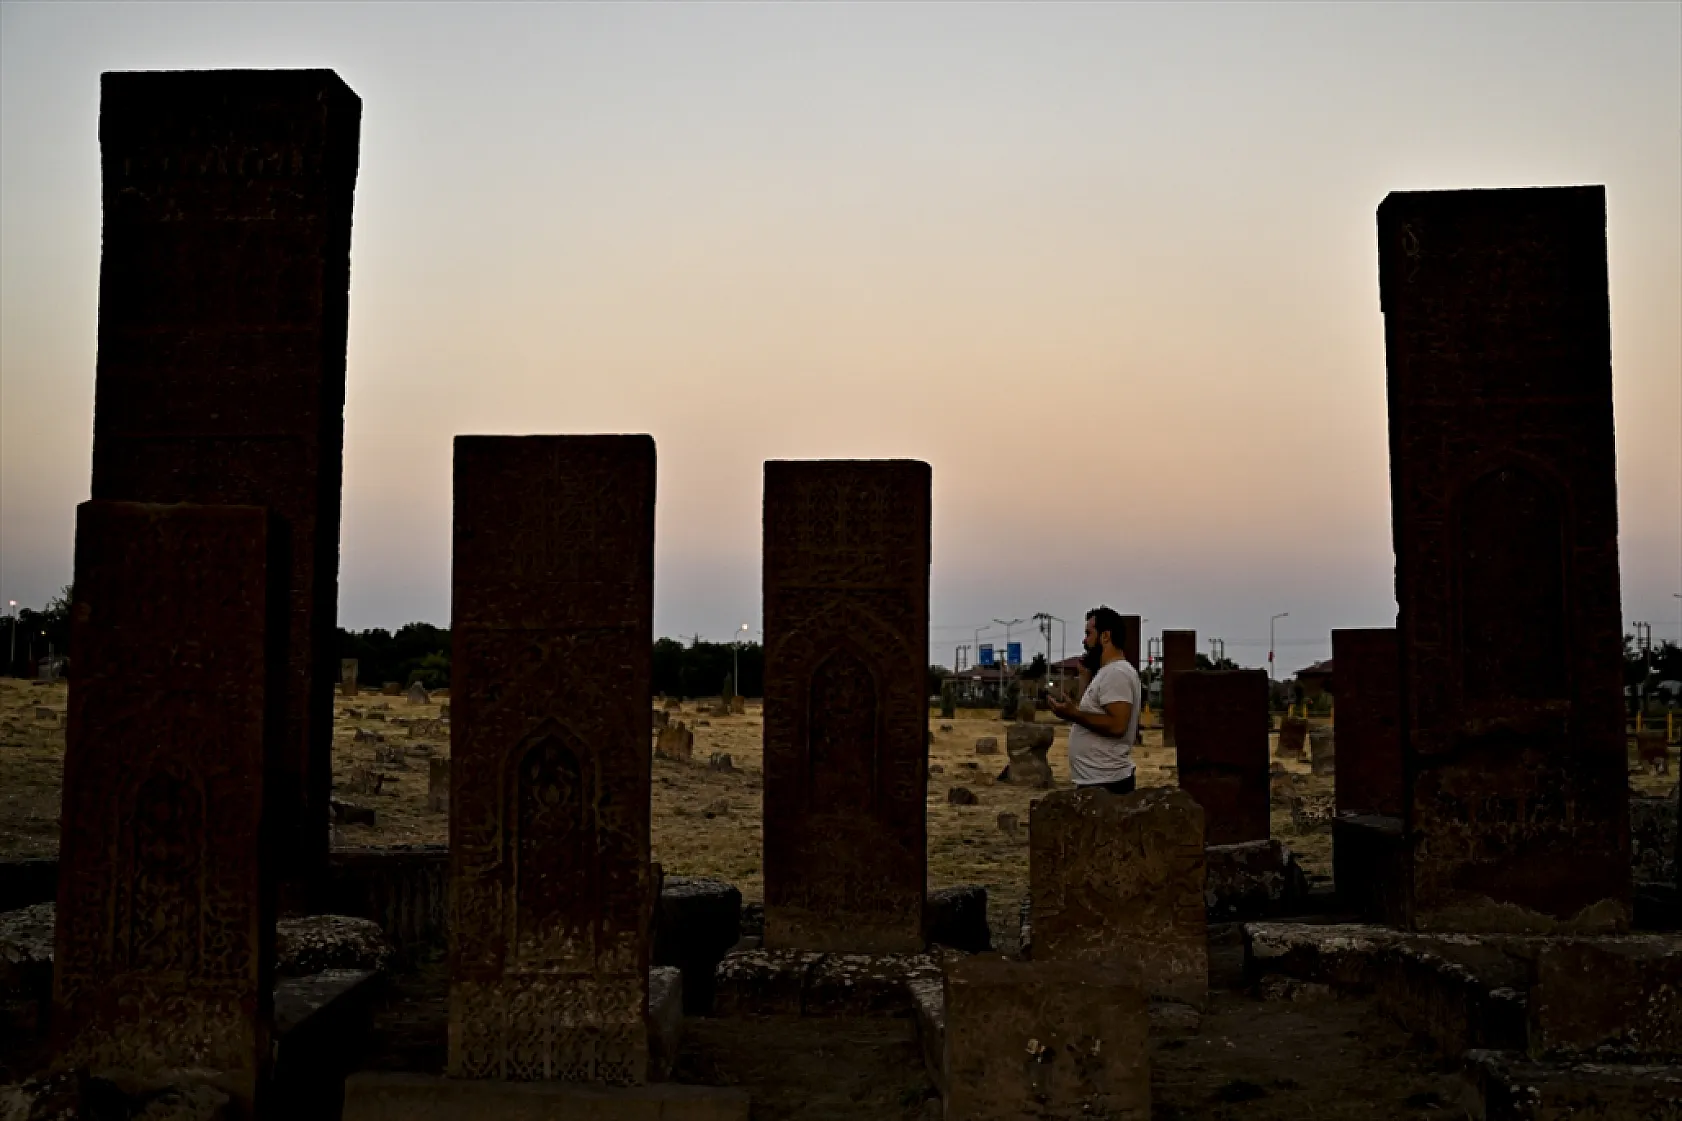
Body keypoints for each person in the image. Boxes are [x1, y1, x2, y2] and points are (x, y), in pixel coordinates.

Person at [1046, 605, 1142, 794]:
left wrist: (1074, 714)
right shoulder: (1106, 672)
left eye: (1089, 634)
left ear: (1105, 636)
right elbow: (1090, 714)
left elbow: (1117, 725)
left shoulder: (1117, 673)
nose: (1085, 640)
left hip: (1108, 783)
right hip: (1097, 780)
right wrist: (1084, 679)